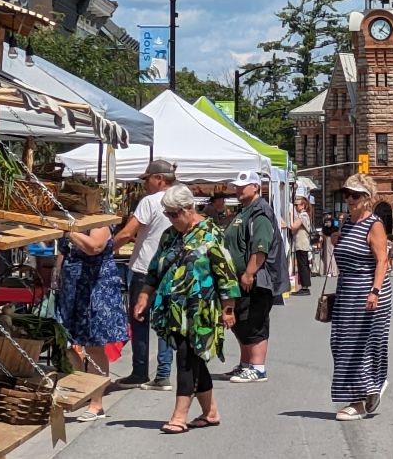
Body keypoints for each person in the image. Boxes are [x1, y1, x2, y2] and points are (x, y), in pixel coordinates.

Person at [134, 184, 239, 435]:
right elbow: (154, 269)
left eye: (174, 213)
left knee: (186, 358)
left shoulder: (210, 233)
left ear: (189, 208)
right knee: (194, 358)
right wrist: (143, 296)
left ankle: (179, 416)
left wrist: (228, 308)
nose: (170, 219)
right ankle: (210, 412)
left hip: (200, 310)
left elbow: (225, 272)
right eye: (167, 214)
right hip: (173, 309)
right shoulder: (169, 235)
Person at [330, 174, 392, 420]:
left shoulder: (374, 224)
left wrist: (374, 291)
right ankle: (370, 388)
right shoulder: (345, 223)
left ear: (367, 198)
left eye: (355, 195)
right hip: (347, 291)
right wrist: (337, 239)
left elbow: (382, 260)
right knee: (340, 342)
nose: (349, 199)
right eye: (346, 194)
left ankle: (360, 398)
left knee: (361, 345)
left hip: (368, 291)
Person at [111, 159, 176, 391]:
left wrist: (107, 250)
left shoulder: (149, 201)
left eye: (147, 179)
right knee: (165, 322)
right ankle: (163, 373)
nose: (145, 184)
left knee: (139, 319)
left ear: (159, 178)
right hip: (170, 270)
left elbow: (128, 232)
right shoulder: (182, 198)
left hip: (144, 269)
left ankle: (140, 371)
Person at [56, 221, 129, 421]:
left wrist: (68, 231)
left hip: (95, 289)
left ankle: (96, 403)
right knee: (65, 341)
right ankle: (83, 389)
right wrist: (57, 274)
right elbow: (63, 250)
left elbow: (94, 247)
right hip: (72, 288)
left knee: (94, 346)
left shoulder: (98, 222)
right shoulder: (71, 220)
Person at [223, 170, 290, 383]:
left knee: (255, 320)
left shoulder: (260, 212)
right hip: (242, 277)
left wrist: (250, 272)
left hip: (258, 279)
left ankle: (258, 367)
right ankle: (246, 364)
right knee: (242, 321)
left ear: (256, 187)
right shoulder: (245, 211)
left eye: (244, 186)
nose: (238, 189)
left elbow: (261, 246)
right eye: (237, 186)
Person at [290, 195, 313, 296]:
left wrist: (291, 215)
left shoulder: (303, 215)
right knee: (303, 265)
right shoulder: (304, 215)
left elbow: (294, 226)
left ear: (303, 205)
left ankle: (304, 287)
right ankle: (304, 286)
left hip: (302, 244)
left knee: (302, 265)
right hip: (302, 244)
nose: (295, 207)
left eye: (297, 205)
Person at [321, 213, 340, 278]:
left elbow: (324, 229)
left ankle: (329, 271)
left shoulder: (327, 221)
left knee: (328, 255)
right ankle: (334, 271)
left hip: (328, 237)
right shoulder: (335, 221)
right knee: (333, 254)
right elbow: (337, 228)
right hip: (334, 237)